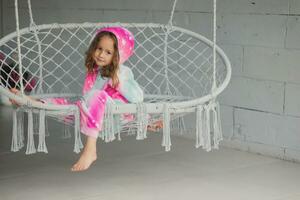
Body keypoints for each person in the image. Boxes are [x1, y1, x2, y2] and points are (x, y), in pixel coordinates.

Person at [10, 26, 162, 172]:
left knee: (98, 95)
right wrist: (81, 107)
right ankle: (30, 101)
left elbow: (137, 97)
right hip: (95, 116)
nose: (101, 54)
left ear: (118, 56)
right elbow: (88, 97)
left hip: (117, 113)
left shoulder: (122, 72)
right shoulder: (95, 72)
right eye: (99, 48)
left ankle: (90, 148)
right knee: (67, 106)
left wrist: (118, 82)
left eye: (108, 52)